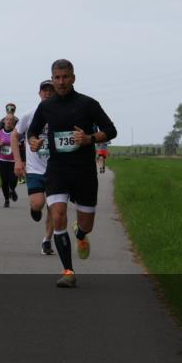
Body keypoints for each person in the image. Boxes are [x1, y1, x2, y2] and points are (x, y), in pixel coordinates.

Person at [27, 59, 117, 288]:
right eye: (57, 77)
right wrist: (34, 141)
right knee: (58, 215)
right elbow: (33, 133)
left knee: (87, 224)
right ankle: (68, 271)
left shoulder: (88, 104)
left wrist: (89, 139)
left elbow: (111, 130)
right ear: (52, 78)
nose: (61, 82)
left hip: (84, 171)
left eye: (65, 77)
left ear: (73, 78)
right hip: (57, 170)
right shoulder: (46, 107)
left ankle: (80, 233)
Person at [12, 80, 56, 255]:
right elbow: (15, 137)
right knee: (38, 203)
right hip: (35, 168)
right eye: (44, 91)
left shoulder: (61, 114)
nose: (47, 93)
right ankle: (34, 208)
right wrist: (18, 161)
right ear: (39, 94)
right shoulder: (29, 115)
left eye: (50, 91)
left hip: (56, 169)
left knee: (54, 208)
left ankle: (47, 240)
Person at [0, 114, 19, 207]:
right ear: (4, 121)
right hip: (2, 160)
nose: (8, 121)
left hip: (14, 161)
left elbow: (22, 146)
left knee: (13, 179)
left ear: (13, 122)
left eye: (11, 120)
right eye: (7, 119)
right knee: (4, 181)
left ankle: (12, 189)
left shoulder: (17, 133)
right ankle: (6, 199)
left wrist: (22, 160)